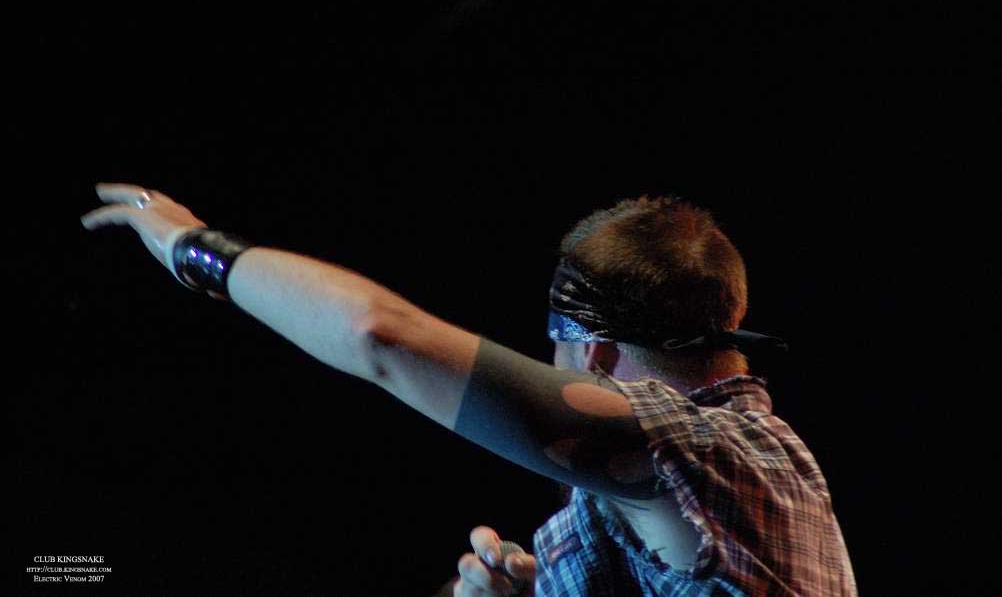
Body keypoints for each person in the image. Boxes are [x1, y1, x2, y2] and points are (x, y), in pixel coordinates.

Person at [81, 184, 856, 596]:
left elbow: (378, 335)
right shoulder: (649, 496)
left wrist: (193, 249)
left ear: (590, 353)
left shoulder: (706, 450)